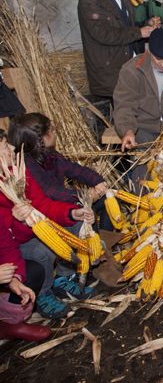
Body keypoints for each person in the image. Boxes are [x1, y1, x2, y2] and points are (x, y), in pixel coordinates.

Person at [0, 129, 94, 319]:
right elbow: (10, 240)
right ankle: (43, 293)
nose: (12, 148)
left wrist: (72, 212)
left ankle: (63, 277)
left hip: (34, 226)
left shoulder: (19, 172)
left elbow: (43, 205)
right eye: (4, 146)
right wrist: (19, 220)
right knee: (43, 251)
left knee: (77, 226)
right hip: (20, 239)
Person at [77, 0, 159, 103]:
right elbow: (103, 34)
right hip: (111, 70)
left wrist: (146, 24)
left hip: (131, 64)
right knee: (124, 113)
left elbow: (124, 25)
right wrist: (139, 32)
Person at [9, 113, 109, 229]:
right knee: (86, 215)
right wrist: (84, 196)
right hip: (51, 213)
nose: (54, 133)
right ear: (40, 139)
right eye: (51, 130)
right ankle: (93, 237)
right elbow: (52, 191)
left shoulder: (50, 154)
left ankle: (105, 235)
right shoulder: (28, 166)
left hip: (63, 203)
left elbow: (75, 170)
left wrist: (98, 181)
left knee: (108, 199)